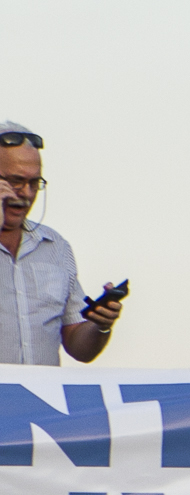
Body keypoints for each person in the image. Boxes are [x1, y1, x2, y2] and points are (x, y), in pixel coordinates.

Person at [0, 119, 122, 365]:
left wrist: (100, 325)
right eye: (15, 181)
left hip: (40, 399)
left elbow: (79, 348)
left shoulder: (55, 246)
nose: (25, 193)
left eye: (34, 183)